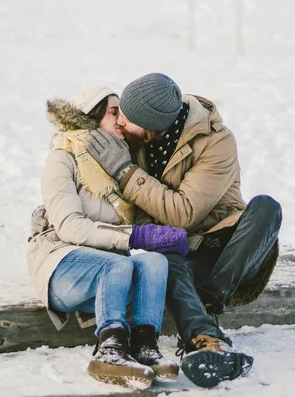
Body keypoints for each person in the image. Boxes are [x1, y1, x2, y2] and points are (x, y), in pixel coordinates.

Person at [31, 74, 282, 388]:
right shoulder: (104, 150)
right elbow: (114, 219)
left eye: (125, 117)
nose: (121, 122)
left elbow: (183, 214)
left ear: (151, 130)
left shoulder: (214, 142)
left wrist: (125, 172)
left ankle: (201, 308)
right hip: (171, 253)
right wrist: (143, 234)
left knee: (266, 207)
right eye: (116, 113)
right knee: (160, 260)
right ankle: (201, 341)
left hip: (227, 249)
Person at [27, 86, 186, 390]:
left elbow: (138, 218)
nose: (120, 120)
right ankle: (110, 349)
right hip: (59, 264)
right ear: (91, 117)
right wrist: (137, 235)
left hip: (107, 270)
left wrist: (166, 232)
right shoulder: (63, 157)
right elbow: (69, 226)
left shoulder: (116, 161)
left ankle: (144, 346)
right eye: (114, 112)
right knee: (117, 265)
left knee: (154, 262)